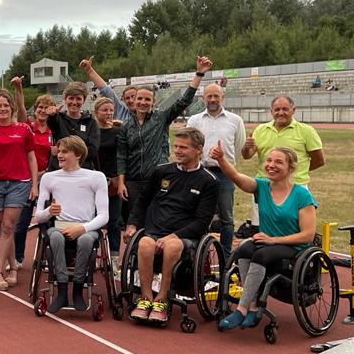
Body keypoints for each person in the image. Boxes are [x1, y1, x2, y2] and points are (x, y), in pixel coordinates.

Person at [211, 143, 316, 330]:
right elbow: (235, 177)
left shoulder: (301, 195)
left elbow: (307, 235)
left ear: (290, 168)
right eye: (268, 160)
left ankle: (241, 309)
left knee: (260, 255)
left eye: (278, 162)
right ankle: (251, 305)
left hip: (293, 247)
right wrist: (221, 160)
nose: (271, 165)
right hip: (267, 242)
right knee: (243, 250)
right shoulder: (261, 186)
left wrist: (273, 240)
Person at [124, 128, 219, 324]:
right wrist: (132, 224)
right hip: (154, 231)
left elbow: (202, 223)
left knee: (172, 246)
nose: (178, 151)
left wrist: (172, 237)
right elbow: (142, 202)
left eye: (183, 147)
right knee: (144, 244)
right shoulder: (161, 171)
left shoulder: (209, 181)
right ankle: (146, 297)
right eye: (176, 146)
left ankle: (163, 298)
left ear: (198, 149)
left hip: (185, 237)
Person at [116, 56, 212, 230]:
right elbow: (121, 155)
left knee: (157, 217)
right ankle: (138, 254)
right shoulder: (126, 126)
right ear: (134, 101)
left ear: (153, 102)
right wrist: (122, 182)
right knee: (135, 220)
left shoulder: (161, 118)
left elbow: (184, 101)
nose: (143, 103)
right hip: (133, 181)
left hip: (157, 178)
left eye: (147, 100)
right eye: (140, 99)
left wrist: (199, 74)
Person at [33, 136, 109, 311]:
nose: (59, 154)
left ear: (78, 154)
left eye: (64, 152)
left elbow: (104, 216)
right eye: (59, 151)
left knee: (85, 240)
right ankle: (61, 292)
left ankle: (77, 290)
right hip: (59, 227)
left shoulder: (96, 177)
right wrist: (48, 212)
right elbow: (38, 217)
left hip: (86, 228)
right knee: (56, 238)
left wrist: (81, 228)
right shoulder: (49, 178)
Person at [0, 88, 38, 290]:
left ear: (11, 107)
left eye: (6, 105)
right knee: (5, 226)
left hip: (19, 183)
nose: (2, 108)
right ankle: (13, 267)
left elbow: (31, 156)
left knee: (8, 226)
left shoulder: (23, 129)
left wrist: (34, 184)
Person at [186, 83, 246, 252]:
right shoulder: (194, 120)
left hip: (225, 174)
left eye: (216, 96)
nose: (212, 99)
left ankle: (226, 255)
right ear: (203, 98)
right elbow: (188, 146)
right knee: (195, 214)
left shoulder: (235, 120)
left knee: (227, 217)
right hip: (199, 173)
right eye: (209, 96)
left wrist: (224, 162)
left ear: (222, 97)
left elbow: (238, 147)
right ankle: (196, 252)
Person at [242, 94, 324, 193]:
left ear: (293, 110)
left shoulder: (306, 131)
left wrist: (294, 171)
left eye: (285, 109)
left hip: (295, 187)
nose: (281, 113)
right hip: (265, 186)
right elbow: (247, 155)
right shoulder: (260, 129)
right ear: (271, 111)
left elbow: (319, 161)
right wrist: (247, 147)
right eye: (277, 109)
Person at [12, 89, 55, 270]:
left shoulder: (55, 131)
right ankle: (17, 258)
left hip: (47, 179)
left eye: (46, 108)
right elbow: (21, 108)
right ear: (35, 109)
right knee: (22, 223)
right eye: (40, 107)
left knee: (46, 222)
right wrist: (18, 89)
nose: (43, 111)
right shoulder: (28, 127)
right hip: (28, 180)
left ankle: (45, 258)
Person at [92, 97, 123, 264]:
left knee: (114, 221)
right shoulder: (92, 131)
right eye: (105, 110)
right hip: (94, 180)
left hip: (113, 181)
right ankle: (94, 252)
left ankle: (115, 255)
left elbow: (121, 156)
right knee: (94, 219)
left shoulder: (118, 131)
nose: (109, 113)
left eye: (111, 110)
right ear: (96, 112)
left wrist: (119, 178)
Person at [45, 81, 99, 171]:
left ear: (84, 100)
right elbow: (51, 123)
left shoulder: (91, 123)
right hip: (59, 169)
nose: (74, 102)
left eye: (78, 99)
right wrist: (52, 115)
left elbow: (92, 150)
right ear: (65, 99)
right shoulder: (57, 118)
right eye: (71, 98)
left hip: (82, 170)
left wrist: (62, 151)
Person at [78, 57, 133, 122]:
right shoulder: (121, 111)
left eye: (134, 97)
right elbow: (106, 90)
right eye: (127, 98)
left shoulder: (147, 117)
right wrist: (89, 71)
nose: (131, 100)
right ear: (124, 100)